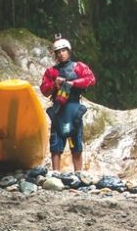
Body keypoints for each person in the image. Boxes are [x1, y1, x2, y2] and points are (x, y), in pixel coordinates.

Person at [40, 36, 96, 172]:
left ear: (68, 51)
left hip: (74, 109)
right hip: (58, 110)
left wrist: (73, 83)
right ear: (56, 55)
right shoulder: (51, 72)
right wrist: (55, 84)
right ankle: (55, 175)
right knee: (56, 145)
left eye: (63, 51)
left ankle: (78, 174)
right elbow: (44, 90)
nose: (61, 54)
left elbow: (91, 79)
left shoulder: (79, 67)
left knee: (76, 144)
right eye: (58, 52)